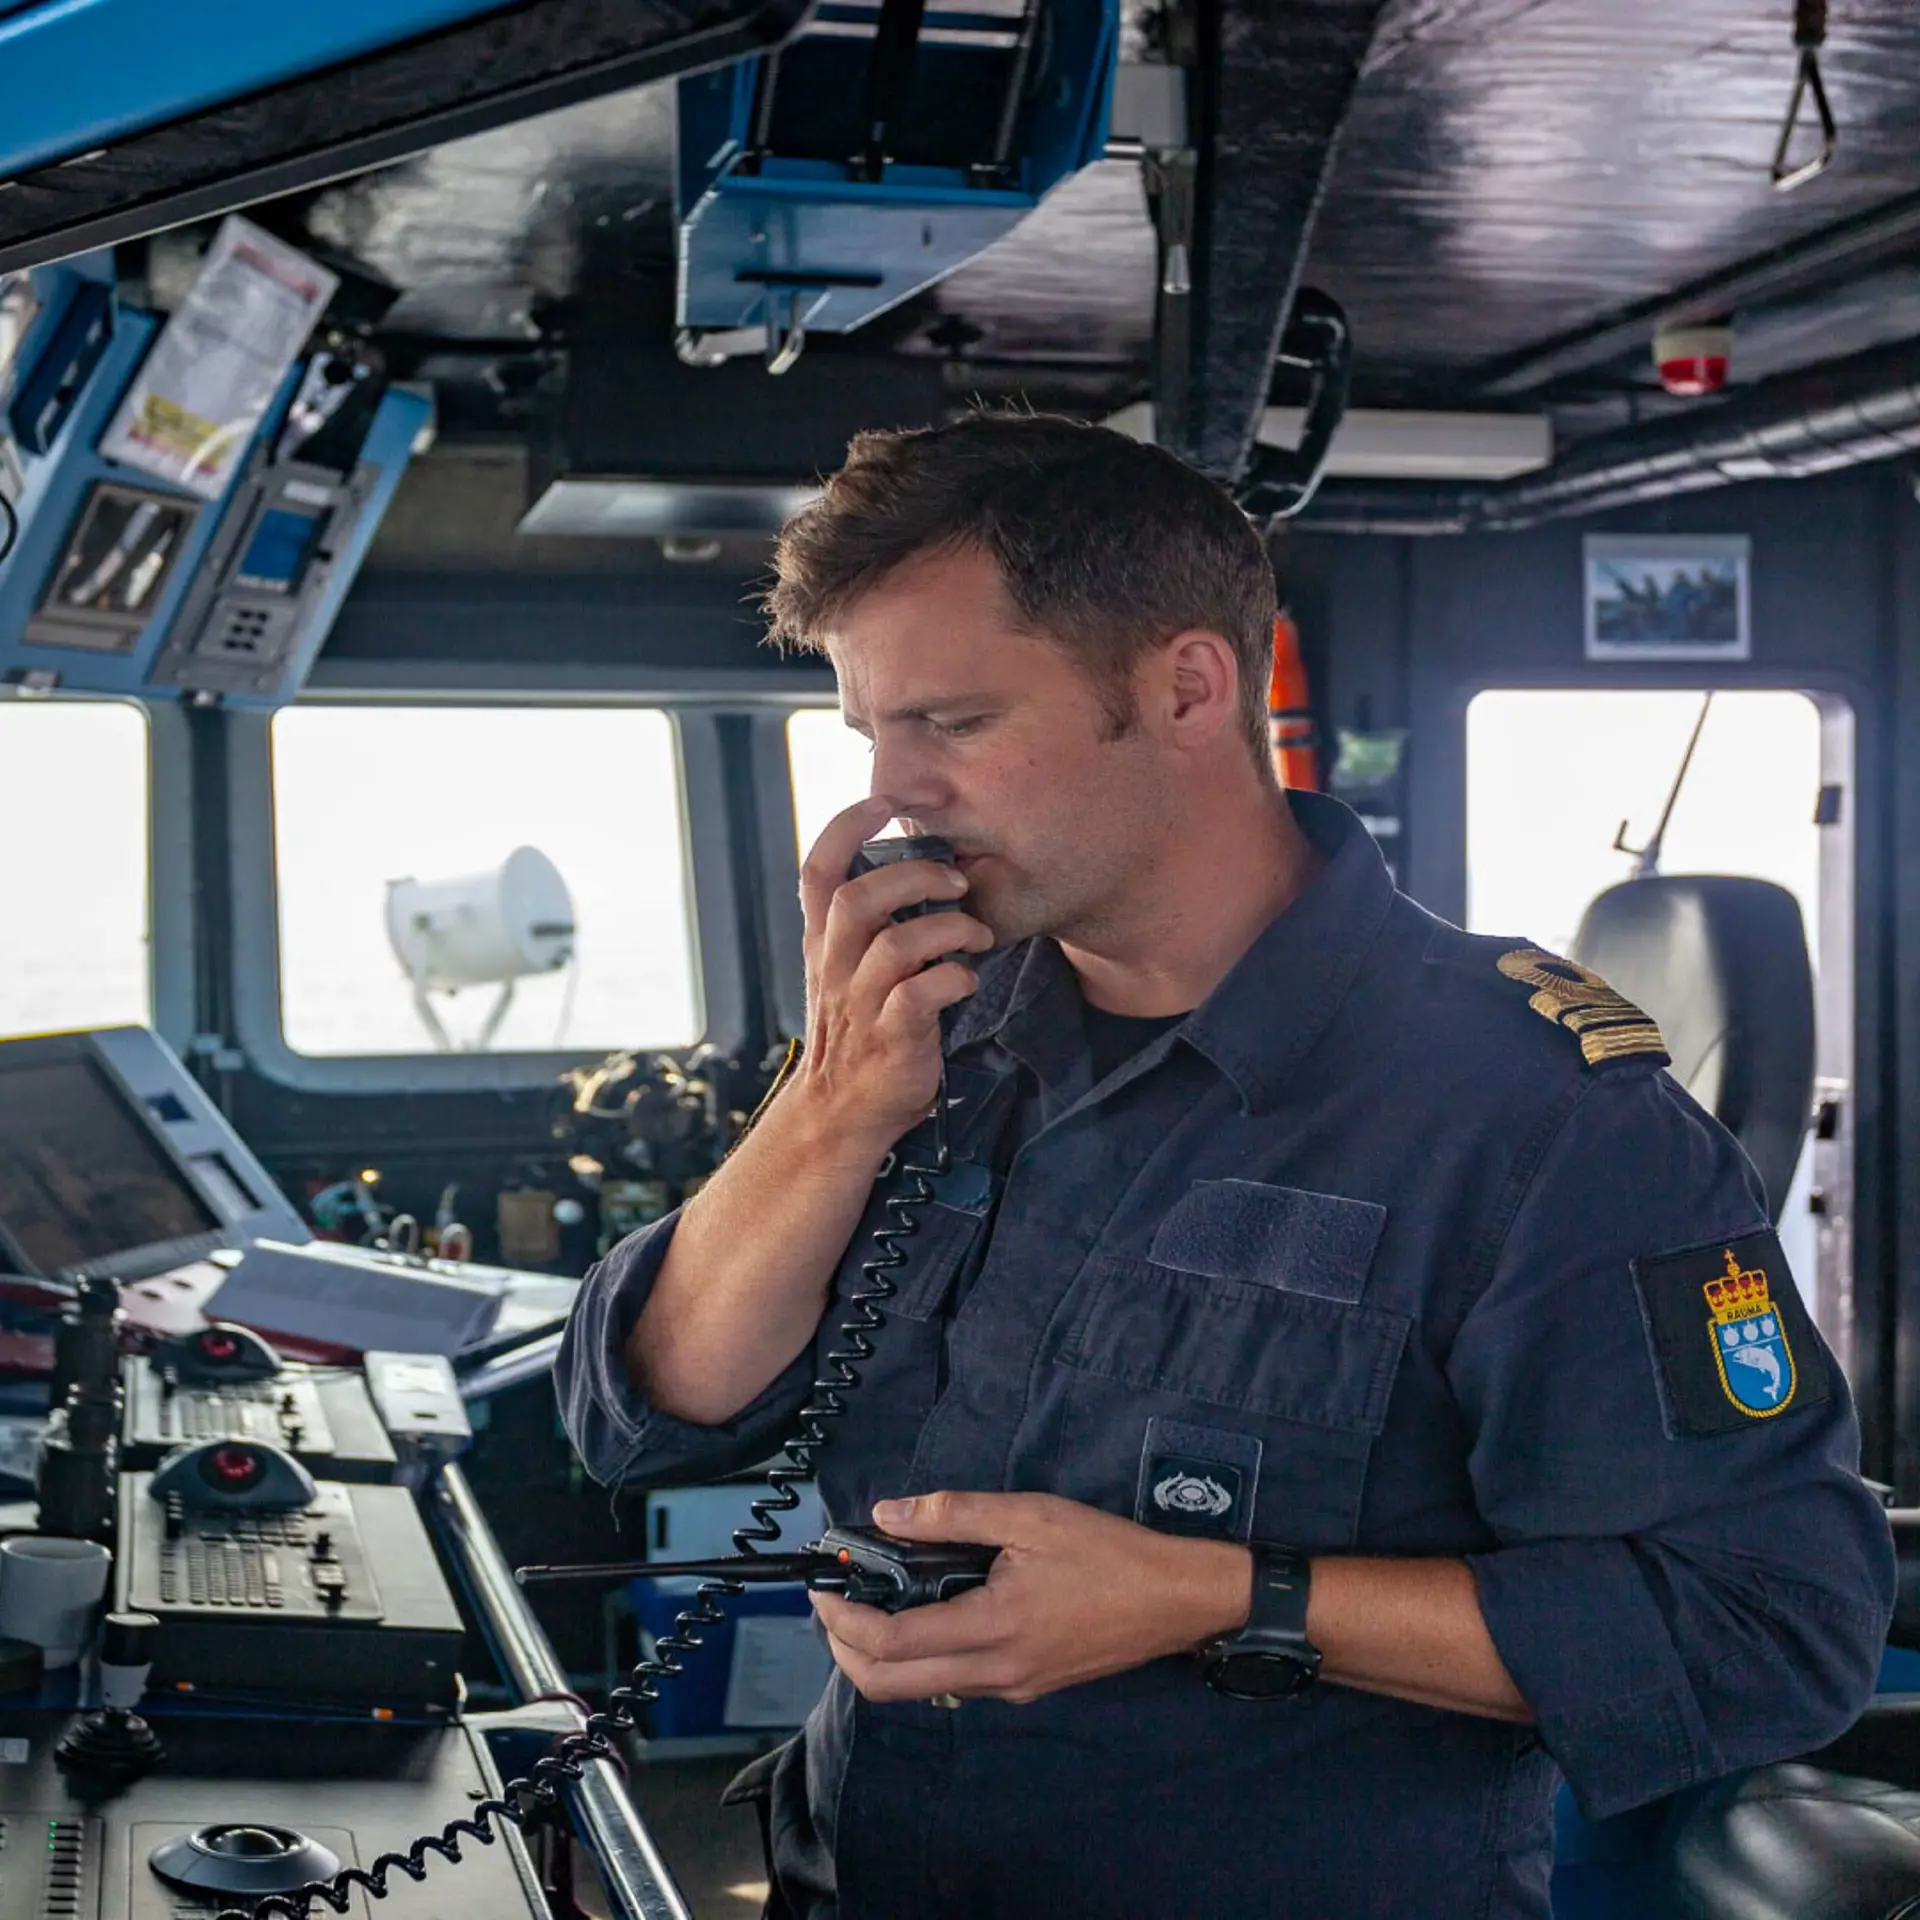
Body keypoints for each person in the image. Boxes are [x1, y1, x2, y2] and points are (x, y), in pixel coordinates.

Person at [556, 413, 1893, 1920]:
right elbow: (636, 1413)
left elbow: (1767, 1632)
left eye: (955, 722)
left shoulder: (1543, 1126)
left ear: (1188, 686)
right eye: (872, 732)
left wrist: (1215, 1598)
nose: (892, 795)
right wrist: (832, 1103)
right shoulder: (929, 1035)